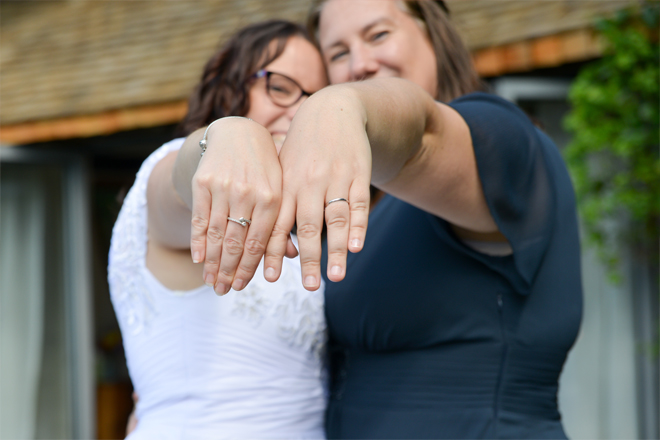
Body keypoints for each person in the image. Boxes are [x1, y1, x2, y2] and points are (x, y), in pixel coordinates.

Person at [185, 1, 583, 438]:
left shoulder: (500, 139)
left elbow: (423, 133)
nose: (361, 64)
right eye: (338, 53)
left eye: (378, 35)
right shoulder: (366, 200)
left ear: (433, 35)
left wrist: (342, 104)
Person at [108, 20, 328, 439]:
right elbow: (179, 186)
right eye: (280, 86)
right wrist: (226, 136)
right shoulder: (172, 170)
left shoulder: (301, 222)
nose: (299, 111)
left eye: (316, 99)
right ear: (230, 85)